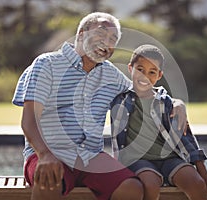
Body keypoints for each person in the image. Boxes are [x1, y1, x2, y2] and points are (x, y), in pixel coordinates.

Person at [12, 12, 144, 200]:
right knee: (49, 180)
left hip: (90, 157)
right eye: (101, 33)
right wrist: (45, 154)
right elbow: (29, 119)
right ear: (81, 34)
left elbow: (146, 93)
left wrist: (176, 103)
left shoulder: (112, 76)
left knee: (131, 187)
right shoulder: (46, 65)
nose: (106, 42)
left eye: (112, 39)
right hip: (49, 153)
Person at [110, 44, 207, 200]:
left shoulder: (167, 104)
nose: (145, 76)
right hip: (138, 160)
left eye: (152, 72)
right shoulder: (119, 99)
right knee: (150, 184)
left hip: (171, 159)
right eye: (140, 69)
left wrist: (204, 173)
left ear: (159, 75)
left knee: (197, 184)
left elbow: (187, 138)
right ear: (130, 68)